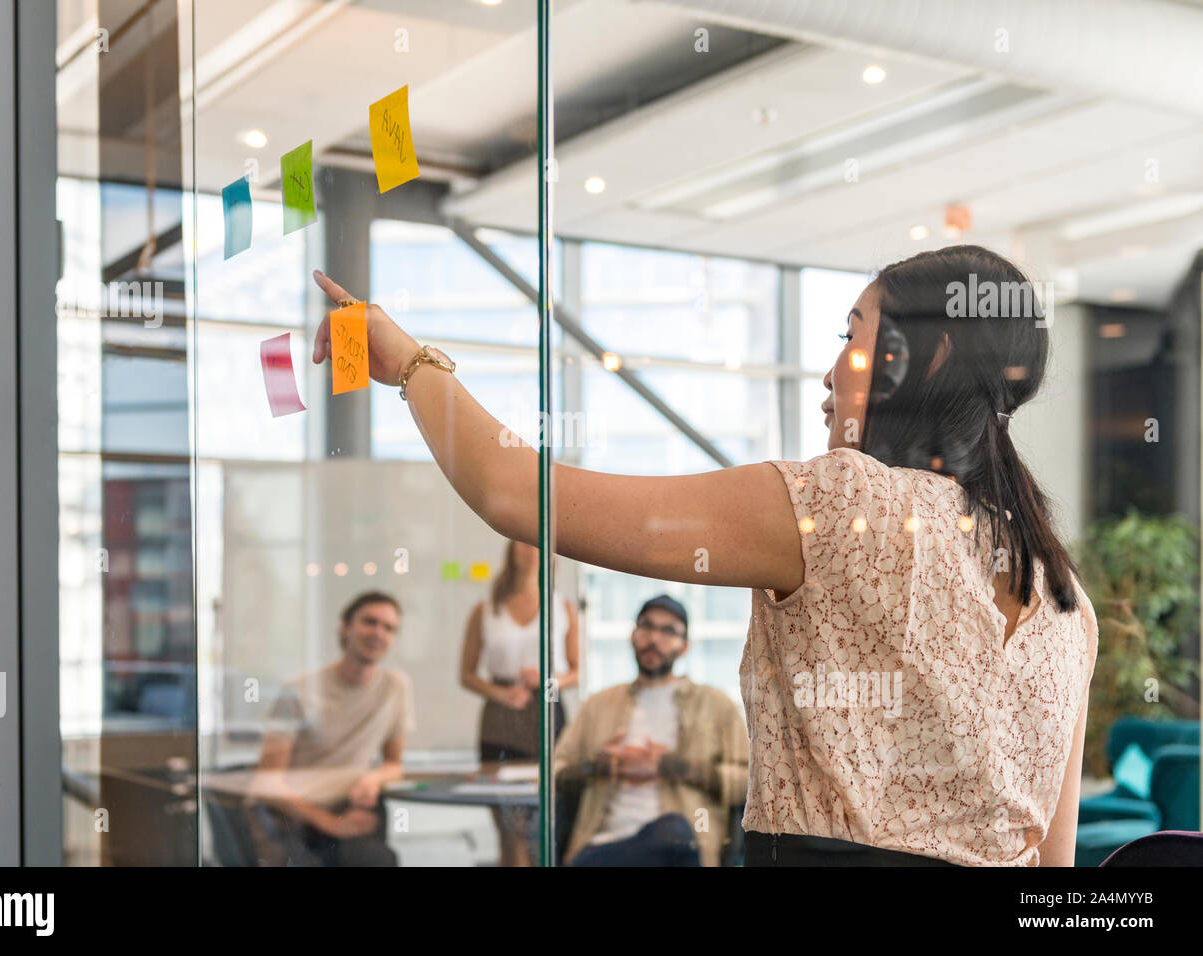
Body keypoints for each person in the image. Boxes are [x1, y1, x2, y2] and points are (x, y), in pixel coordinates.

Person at [309, 243, 1099, 867]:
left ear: (921, 360)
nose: (830, 374)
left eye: (852, 340)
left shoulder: (838, 502)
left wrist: (407, 361)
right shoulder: (1066, 598)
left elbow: (517, 494)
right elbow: (1052, 865)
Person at [554, 594, 748, 867]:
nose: (654, 638)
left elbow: (751, 782)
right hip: (603, 847)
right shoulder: (598, 705)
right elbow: (553, 772)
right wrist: (599, 766)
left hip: (681, 849)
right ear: (633, 636)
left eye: (668, 630)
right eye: (646, 626)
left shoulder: (715, 705)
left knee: (674, 831)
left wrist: (676, 768)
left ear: (684, 647)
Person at [249, 591, 413, 866]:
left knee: (374, 856)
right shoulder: (299, 690)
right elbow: (267, 783)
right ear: (345, 627)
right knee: (373, 859)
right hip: (295, 818)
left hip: (350, 810)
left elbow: (394, 764)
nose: (378, 633)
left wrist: (372, 779)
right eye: (369, 622)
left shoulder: (395, 687)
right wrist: (331, 823)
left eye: (389, 628)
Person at [460, 539, 579, 866]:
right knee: (506, 822)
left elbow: (577, 670)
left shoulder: (563, 607)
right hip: (500, 717)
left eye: (538, 545)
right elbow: (466, 674)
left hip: (548, 712)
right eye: (523, 543)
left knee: (544, 819)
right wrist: (502, 693)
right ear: (511, 550)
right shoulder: (486, 609)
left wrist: (548, 681)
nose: (531, 551)